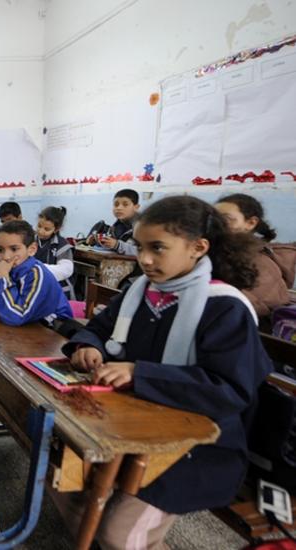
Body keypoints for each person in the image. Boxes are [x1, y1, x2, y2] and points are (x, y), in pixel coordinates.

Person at [56, 195, 272, 550]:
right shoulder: (139, 292)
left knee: (119, 534)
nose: (144, 259)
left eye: (158, 248)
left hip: (196, 445)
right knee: (65, 483)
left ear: (198, 247)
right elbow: (98, 327)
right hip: (125, 424)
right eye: (140, 247)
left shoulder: (224, 308)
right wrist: (89, 345)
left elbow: (228, 389)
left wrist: (139, 373)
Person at [215, 193, 295, 320]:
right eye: (213, 219)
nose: (216, 225)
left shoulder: (258, 260)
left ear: (251, 223)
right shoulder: (219, 250)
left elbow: (262, 303)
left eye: (225, 219)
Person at [0, 220, 72, 327]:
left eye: (14, 249)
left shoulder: (37, 274)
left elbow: (17, 316)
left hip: (54, 328)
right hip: (28, 323)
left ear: (32, 249)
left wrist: (3, 277)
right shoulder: (11, 269)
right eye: (0, 249)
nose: (6, 256)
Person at [35, 206, 75, 299]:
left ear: (56, 229)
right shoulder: (31, 240)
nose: (41, 231)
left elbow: (66, 270)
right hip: (36, 284)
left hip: (58, 289)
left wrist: (37, 269)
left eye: (47, 229)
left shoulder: (62, 245)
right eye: (39, 226)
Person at [85, 189, 140, 255]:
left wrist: (118, 245)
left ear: (136, 207)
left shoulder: (143, 227)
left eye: (125, 204)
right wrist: (96, 242)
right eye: (116, 204)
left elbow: (143, 252)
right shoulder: (115, 227)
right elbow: (113, 249)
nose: (119, 208)